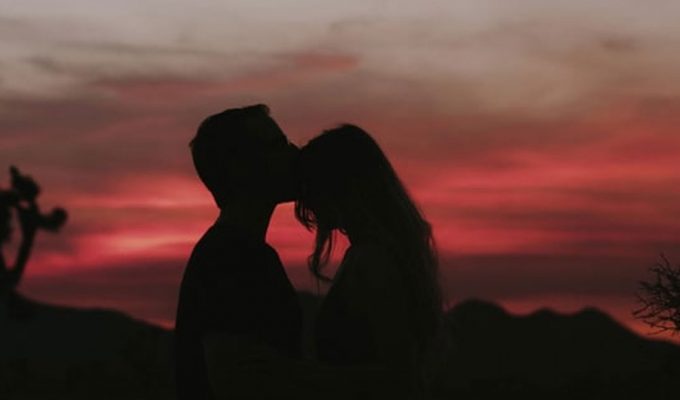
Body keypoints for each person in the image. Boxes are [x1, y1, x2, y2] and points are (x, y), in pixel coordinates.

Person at [294, 124, 443, 398]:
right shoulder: (371, 254)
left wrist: (299, 375)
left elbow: (400, 377)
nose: (307, 200)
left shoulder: (373, 261)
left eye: (312, 186)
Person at [174, 104, 303, 400]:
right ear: (241, 168)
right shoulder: (229, 257)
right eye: (278, 145)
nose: (294, 152)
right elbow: (236, 379)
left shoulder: (238, 251)